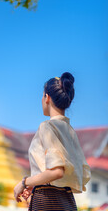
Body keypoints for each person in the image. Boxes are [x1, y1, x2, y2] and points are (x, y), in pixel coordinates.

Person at [14, 72, 91, 210]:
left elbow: (57, 171)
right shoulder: (70, 131)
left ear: (47, 97)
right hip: (67, 201)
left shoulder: (47, 127)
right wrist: (35, 183)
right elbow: (67, 174)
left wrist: (24, 182)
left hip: (47, 200)